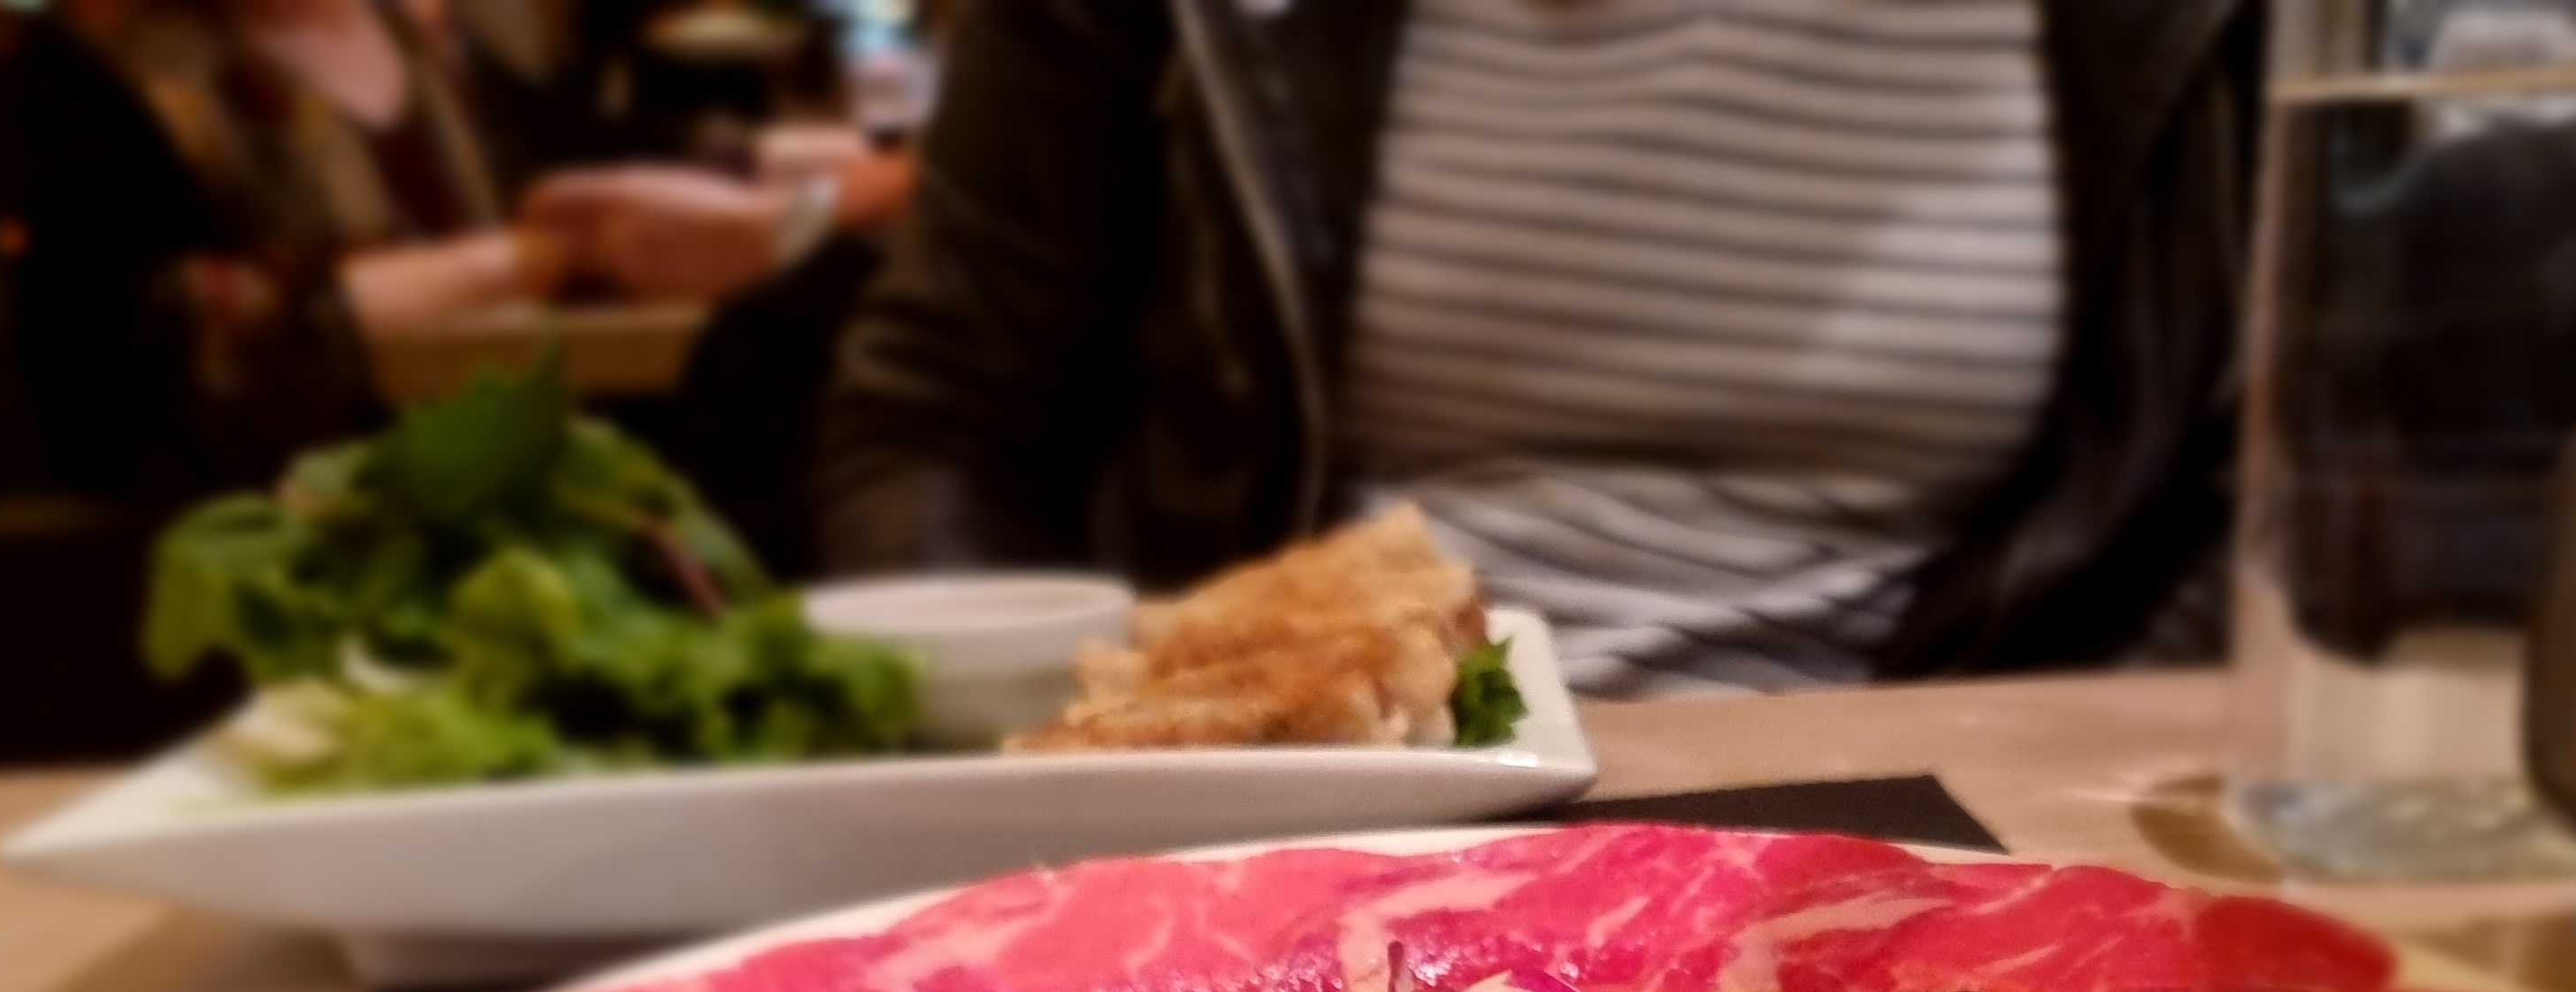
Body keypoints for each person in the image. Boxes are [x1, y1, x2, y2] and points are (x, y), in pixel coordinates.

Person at [815, 0, 2254, 694]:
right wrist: (1070, 754)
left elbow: (2275, 498)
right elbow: (944, 418)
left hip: (1928, 810)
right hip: (1296, 800)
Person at [18, 0, 908, 494]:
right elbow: (143, 347)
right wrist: (519, 262)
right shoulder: (100, 66)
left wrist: (844, 164)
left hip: (518, 480)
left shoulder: (417, 33)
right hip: (293, 535)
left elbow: (576, 151)